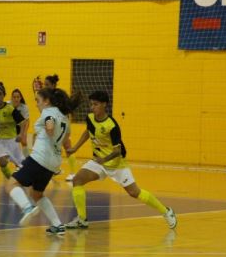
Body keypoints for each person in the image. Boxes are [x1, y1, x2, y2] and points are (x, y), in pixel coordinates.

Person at [64, 90, 177, 230]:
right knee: (78, 180)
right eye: (91, 104)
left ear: (104, 104)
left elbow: (117, 151)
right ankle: (82, 219)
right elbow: (88, 131)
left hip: (116, 164)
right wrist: (75, 148)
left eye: (96, 104)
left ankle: (166, 211)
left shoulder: (112, 126)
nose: (92, 107)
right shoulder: (90, 118)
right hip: (99, 162)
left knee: (134, 192)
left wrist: (103, 159)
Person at [5, 87, 82, 235]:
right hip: (53, 162)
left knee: (11, 184)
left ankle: (27, 208)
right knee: (37, 193)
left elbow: (50, 123)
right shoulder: (65, 119)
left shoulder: (49, 112)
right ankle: (58, 225)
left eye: (38, 100)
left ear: (47, 101)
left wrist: (49, 128)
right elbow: (66, 140)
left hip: (40, 157)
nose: (36, 104)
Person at [35, 74, 77, 181]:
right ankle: (54, 169)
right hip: (55, 124)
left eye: (47, 84)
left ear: (54, 85)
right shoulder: (47, 96)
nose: (45, 86)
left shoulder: (57, 95)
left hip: (60, 123)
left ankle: (73, 173)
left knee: (67, 147)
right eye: (44, 84)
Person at [10, 88, 30, 157]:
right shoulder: (7, 105)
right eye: (14, 97)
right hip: (10, 127)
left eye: (18, 97)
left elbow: (27, 121)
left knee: (24, 141)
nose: (16, 99)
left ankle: (28, 159)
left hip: (21, 126)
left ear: (20, 98)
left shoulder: (24, 107)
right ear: (11, 98)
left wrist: (24, 132)